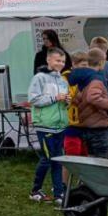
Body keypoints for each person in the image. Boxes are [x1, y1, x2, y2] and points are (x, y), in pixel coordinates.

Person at [28, 48, 71, 202]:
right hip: (45, 124)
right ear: (48, 60)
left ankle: (58, 193)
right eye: (57, 60)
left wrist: (67, 102)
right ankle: (35, 190)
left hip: (60, 125)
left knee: (58, 159)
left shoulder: (62, 80)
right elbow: (34, 100)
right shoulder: (39, 78)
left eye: (63, 61)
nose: (60, 63)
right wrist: (55, 98)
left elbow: (64, 103)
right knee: (47, 158)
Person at [70, 49, 108, 158]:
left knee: (91, 158)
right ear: (101, 62)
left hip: (86, 125)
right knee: (101, 159)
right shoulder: (95, 78)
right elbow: (93, 98)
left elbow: (76, 99)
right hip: (98, 125)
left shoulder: (81, 79)